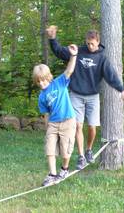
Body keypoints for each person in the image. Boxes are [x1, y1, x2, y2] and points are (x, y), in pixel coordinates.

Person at [46, 25, 124, 170]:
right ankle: (80, 156)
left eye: (92, 43)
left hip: (93, 96)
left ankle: (88, 149)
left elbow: (111, 76)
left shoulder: (102, 59)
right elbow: (60, 52)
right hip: (76, 95)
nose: (90, 46)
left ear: (98, 42)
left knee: (92, 127)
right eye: (87, 43)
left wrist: (122, 90)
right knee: (78, 125)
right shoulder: (77, 52)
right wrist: (52, 38)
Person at [33, 43, 78, 186]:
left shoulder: (59, 82)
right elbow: (45, 114)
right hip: (53, 123)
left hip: (68, 121)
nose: (41, 83)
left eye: (43, 80)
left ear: (49, 77)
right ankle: (52, 174)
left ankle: (64, 168)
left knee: (65, 151)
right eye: (38, 81)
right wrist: (47, 128)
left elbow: (70, 70)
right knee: (50, 148)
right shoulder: (41, 96)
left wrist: (74, 55)